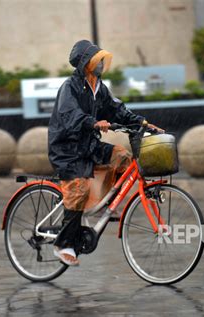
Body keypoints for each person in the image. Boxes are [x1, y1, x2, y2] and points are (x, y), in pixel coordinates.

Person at [48, 40, 163, 266]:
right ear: (85, 63)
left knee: (122, 157)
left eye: (101, 59)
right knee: (78, 189)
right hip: (67, 149)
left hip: (88, 144)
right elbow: (70, 116)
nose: (101, 63)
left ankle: (107, 203)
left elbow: (117, 109)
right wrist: (93, 122)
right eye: (96, 59)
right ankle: (63, 245)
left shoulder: (99, 87)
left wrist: (143, 123)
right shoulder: (69, 87)